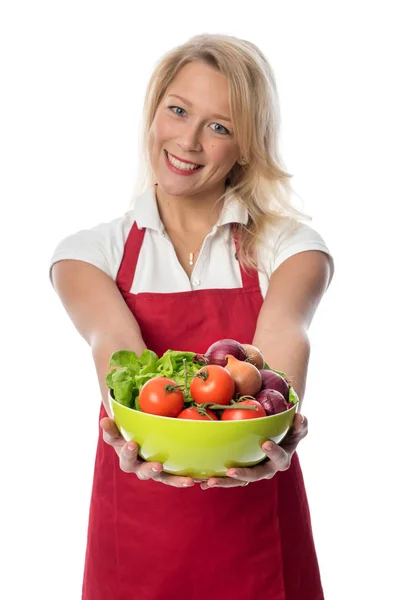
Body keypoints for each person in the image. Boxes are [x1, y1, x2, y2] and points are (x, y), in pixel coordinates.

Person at [50, 33, 334, 600]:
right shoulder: (88, 254)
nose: (189, 140)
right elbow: (116, 348)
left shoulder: (291, 248)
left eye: (220, 126)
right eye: (178, 110)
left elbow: (283, 340)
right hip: (135, 530)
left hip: (259, 534)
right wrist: (135, 429)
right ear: (154, 111)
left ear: (247, 146)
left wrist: (271, 426)